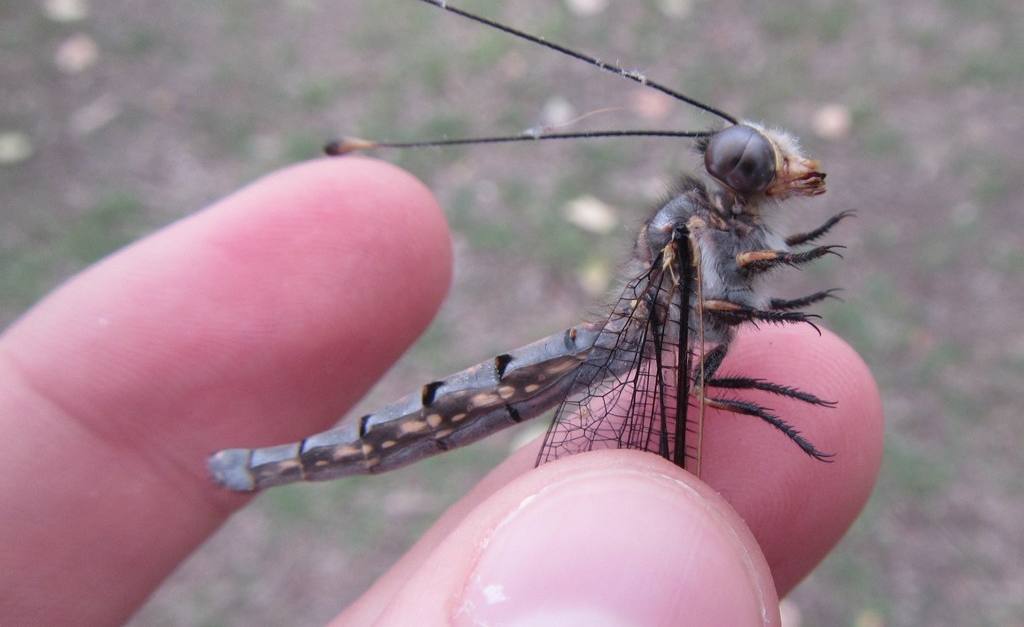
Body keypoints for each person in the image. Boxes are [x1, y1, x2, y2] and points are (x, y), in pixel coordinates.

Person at [0, 158, 883, 626]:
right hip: (608, 351)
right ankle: (272, 465)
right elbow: (714, 323)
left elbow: (712, 327)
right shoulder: (699, 244)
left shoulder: (710, 241)